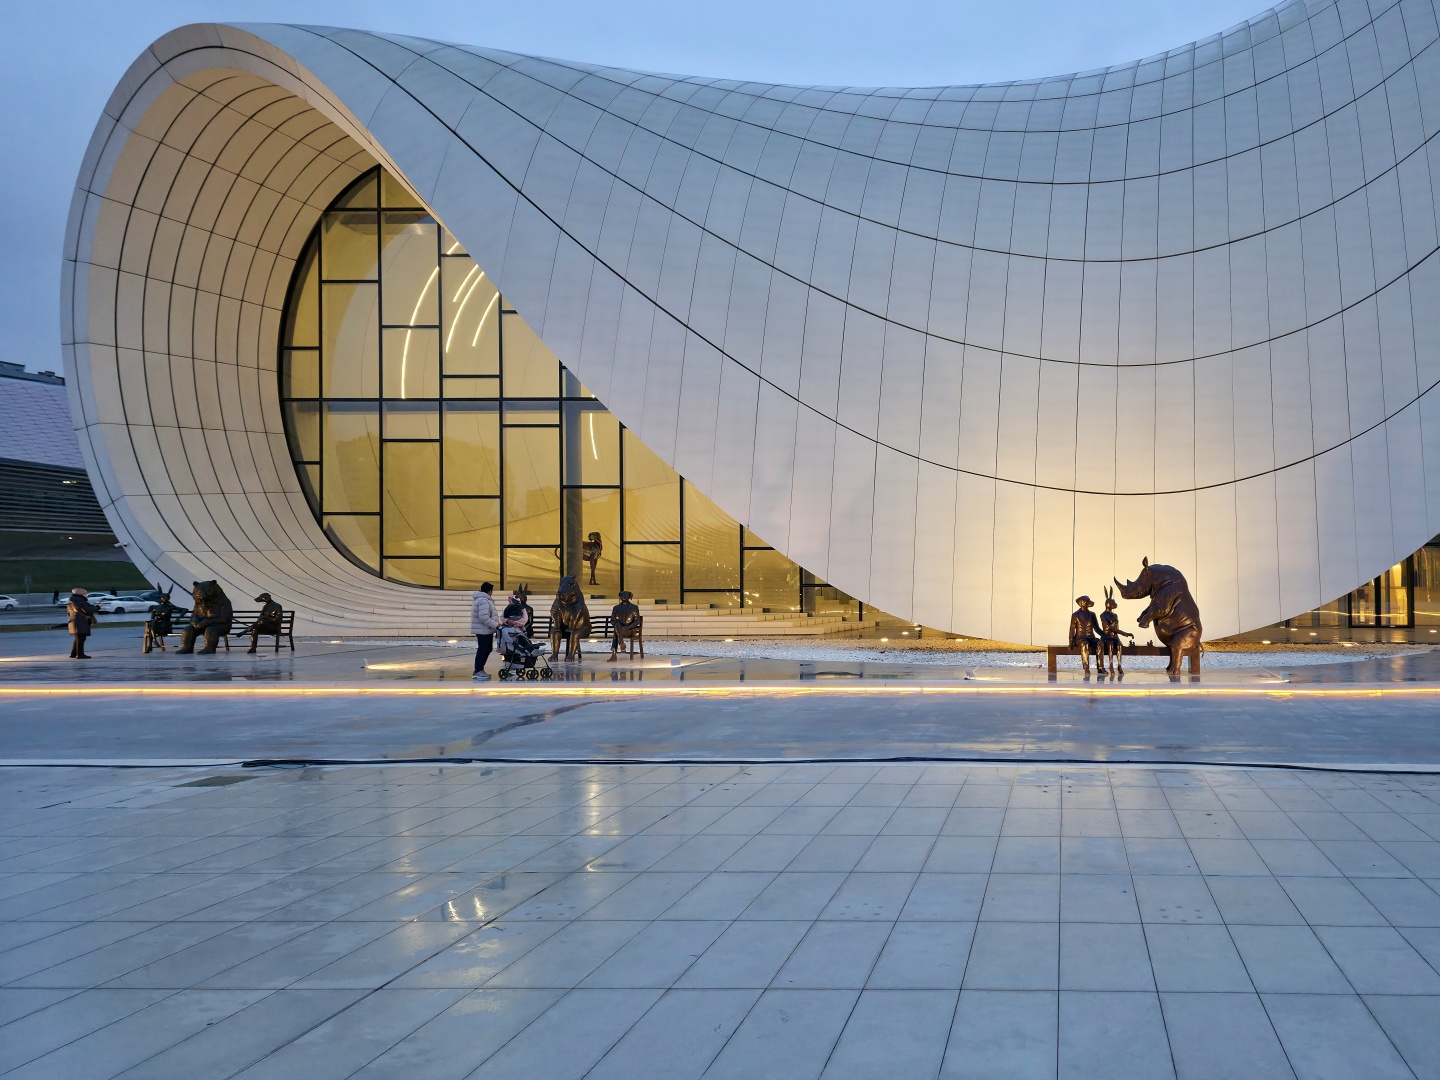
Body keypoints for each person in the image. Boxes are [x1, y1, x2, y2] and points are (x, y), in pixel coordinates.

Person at [470, 582, 499, 681]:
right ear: (490, 591)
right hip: (483, 630)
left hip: (486, 629)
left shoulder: (483, 600)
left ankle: (479, 669)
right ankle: (478, 670)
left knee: (486, 649)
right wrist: (496, 625)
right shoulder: (484, 601)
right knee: (483, 649)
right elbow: (484, 617)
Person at [1068, 595, 1101, 674]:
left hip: (1091, 637)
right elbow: (1072, 629)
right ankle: (1086, 667)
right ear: (1082, 603)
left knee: (1100, 643)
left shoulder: (1093, 614)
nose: (1090, 602)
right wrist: (1071, 642)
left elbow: (1097, 628)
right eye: (1088, 601)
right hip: (1080, 638)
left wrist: (1105, 635)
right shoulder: (1075, 615)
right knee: (1084, 644)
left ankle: (1100, 667)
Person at [608, 591, 641, 661]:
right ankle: (621, 643)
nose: (624, 597)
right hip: (620, 629)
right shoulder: (616, 608)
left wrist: (628, 627)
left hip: (629, 630)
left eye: (626, 595)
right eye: (622, 595)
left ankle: (614, 654)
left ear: (629, 597)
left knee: (616, 631)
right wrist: (618, 625)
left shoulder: (634, 607)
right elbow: (612, 620)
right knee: (617, 626)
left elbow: (637, 621)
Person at [66, 587, 97, 659]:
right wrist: (98, 607)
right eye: (85, 594)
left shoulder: (72, 601)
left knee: (78, 637)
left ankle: (74, 653)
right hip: (80, 622)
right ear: (81, 594)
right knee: (81, 638)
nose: (86, 595)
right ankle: (80, 654)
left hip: (74, 621)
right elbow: (88, 610)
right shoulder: (79, 601)